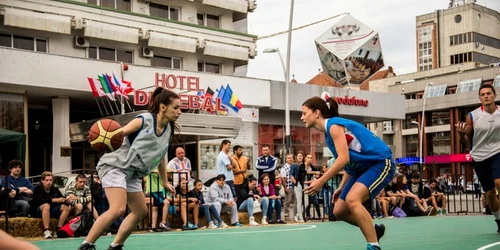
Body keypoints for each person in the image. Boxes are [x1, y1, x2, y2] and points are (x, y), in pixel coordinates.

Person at [78, 87, 179, 250]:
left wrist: (165, 181)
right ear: (162, 107)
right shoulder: (144, 120)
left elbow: (160, 157)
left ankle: (115, 246)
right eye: (176, 107)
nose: (179, 111)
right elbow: (118, 134)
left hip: (131, 172)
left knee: (140, 211)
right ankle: (86, 246)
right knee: (117, 209)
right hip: (114, 166)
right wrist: (99, 138)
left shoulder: (167, 131)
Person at [302, 95, 395, 250]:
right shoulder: (329, 133)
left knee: (353, 199)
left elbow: (343, 159)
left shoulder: (334, 126)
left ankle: (373, 245)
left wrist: (321, 180)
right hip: (361, 168)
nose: (302, 117)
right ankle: (375, 229)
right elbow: (349, 162)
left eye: (304, 113)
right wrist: (342, 187)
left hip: (381, 163)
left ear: (316, 113)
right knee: (340, 210)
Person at [455, 84, 500, 233]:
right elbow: (466, 142)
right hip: (480, 156)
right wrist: (462, 135)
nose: (486, 96)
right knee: (490, 193)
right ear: (480, 98)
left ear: (494, 95)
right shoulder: (473, 116)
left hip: (498, 152)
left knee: (499, 182)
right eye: (483, 94)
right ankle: (499, 221)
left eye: (489, 93)